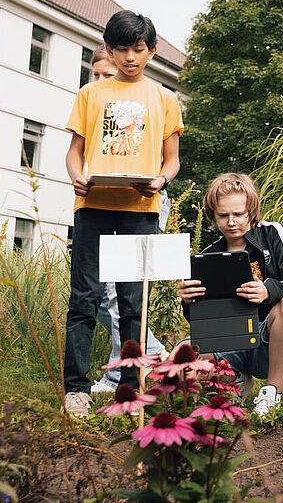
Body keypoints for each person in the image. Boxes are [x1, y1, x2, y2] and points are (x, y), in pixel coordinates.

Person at [62, 10, 181, 416]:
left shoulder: (164, 98)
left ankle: (128, 391)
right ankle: (76, 390)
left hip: (140, 208)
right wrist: (77, 177)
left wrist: (160, 180)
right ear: (109, 51)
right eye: (122, 49)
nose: (130, 57)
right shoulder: (90, 94)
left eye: (138, 49)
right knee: (84, 299)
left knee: (134, 302)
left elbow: (172, 160)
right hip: (93, 206)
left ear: (151, 51)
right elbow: (74, 153)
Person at [177, 173, 283, 418]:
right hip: (227, 341)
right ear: (213, 215)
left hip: (269, 340)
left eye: (238, 214)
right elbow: (201, 323)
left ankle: (271, 393)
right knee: (179, 357)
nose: (231, 222)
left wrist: (268, 290)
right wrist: (188, 301)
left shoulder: (272, 233)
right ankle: (233, 382)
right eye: (223, 215)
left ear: (251, 211)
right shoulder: (207, 255)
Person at [84, 45, 168, 394]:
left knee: (122, 296)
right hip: (101, 203)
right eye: (96, 75)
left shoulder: (145, 102)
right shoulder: (93, 103)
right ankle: (151, 354)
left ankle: (123, 372)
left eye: (107, 73)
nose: (101, 80)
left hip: (141, 202)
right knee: (104, 297)